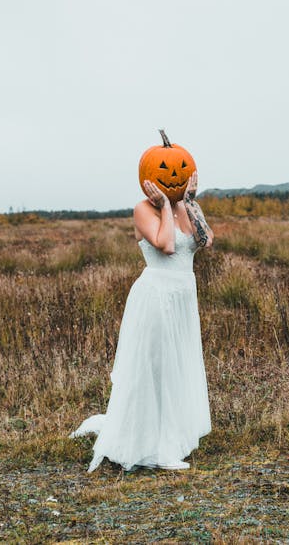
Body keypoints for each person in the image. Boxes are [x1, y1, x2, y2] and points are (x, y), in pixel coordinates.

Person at [70, 171, 213, 472]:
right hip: (157, 295)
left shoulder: (186, 207)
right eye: (167, 171)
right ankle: (155, 448)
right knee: (157, 368)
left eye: (181, 172)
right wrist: (163, 205)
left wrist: (189, 202)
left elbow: (205, 240)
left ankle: (173, 438)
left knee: (178, 366)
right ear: (150, 177)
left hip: (183, 298)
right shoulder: (142, 209)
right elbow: (167, 245)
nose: (175, 176)